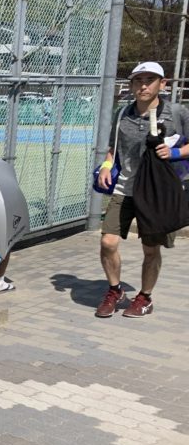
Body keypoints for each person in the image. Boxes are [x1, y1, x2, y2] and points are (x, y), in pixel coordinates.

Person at [94, 61, 189, 318]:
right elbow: (113, 148)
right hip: (124, 189)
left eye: (149, 80)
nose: (143, 85)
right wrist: (106, 166)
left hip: (157, 193)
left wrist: (175, 152)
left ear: (163, 84)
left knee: (151, 249)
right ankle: (115, 291)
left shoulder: (177, 113)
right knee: (108, 242)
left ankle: (145, 297)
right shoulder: (122, 114)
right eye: (138, 80)